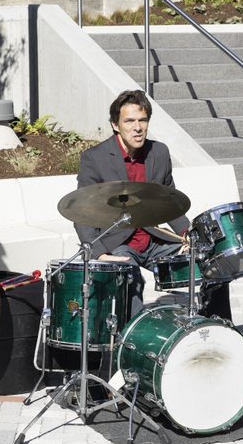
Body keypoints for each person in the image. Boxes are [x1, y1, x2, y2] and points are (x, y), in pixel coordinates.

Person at [73, 90, 231, 321]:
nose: (138, 127)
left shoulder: (159, 152)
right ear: (116, 125)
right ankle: (134, 343)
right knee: (130, 275)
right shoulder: (95, 158)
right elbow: (81, 211)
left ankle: (218, 325)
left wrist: (188, 234)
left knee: (214, 260)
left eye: (143, 120)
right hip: (119, 243)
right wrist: (99, 253)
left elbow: (169, 202)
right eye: (129, 121)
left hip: (155, 240)